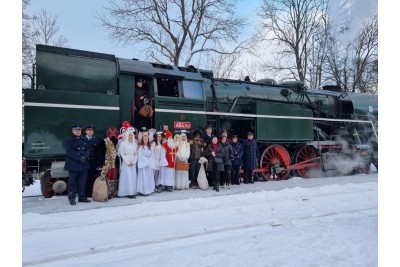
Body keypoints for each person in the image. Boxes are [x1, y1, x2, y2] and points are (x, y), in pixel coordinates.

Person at [64, 124, 91, 205]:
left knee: (82, 182)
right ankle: (71, 198)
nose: (78, 131)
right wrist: (79, 158)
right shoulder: (69, 141)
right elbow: (69, 152)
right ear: (73, 131)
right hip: (73, 164)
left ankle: (82, 197)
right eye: (76, 130)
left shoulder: (84, 140)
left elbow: (88, 149)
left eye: (79, 130)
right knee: (72, 183)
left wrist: (85, 157)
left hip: (83, 164)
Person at [99, 127, 120, 198]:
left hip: (115, 163)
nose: (113, 135)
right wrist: (103, 163)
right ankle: (107, 193)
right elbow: (100, 153)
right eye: (111, 133)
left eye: (114, 133)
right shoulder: (104, 141)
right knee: (107, 178)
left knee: (114, 178)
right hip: (107, 163)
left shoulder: (118, 141)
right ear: (108, 134)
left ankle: (113, 192)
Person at [117, 127, 138, 198]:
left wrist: (134, 161)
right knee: (127, 177)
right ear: (126, 136)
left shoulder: (134, 144)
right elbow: (122, 153)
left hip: (133, 162)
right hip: (126, 162)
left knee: (133, 177)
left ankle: (132, 191)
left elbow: (136, 154)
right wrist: (127, 162)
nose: (131, 137)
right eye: (129, 135)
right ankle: (128, 192)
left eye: (132, 135)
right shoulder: (123, 143)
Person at [84, 125, 100, 198]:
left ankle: (89, 192)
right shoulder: (82, 140)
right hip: (85, 163)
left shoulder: (95, 140)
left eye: (92, 130)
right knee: (84, 178)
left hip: (93, 163)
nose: (90, 132)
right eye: (89, 130)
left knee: (91, 178)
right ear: (86, 131)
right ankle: (83, 192)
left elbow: (97, 152)